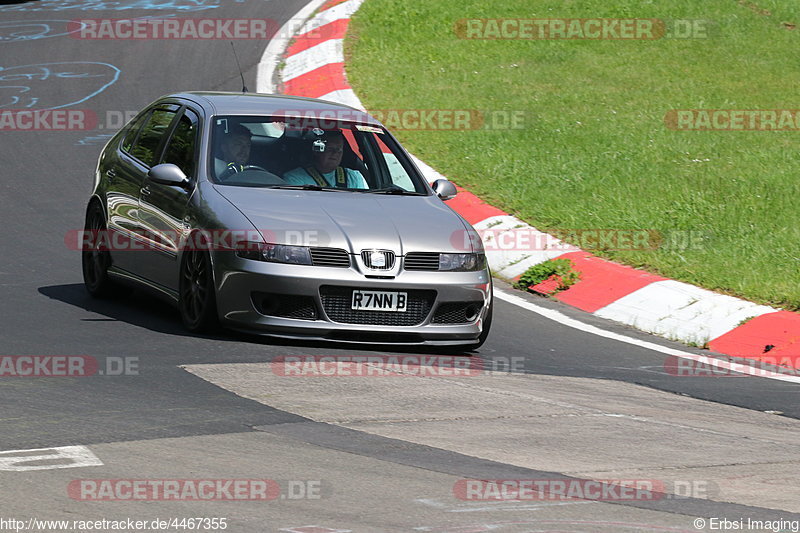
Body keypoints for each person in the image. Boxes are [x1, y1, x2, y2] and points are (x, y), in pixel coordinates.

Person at [282, 130, 368, 189]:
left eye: (339, 150)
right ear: (317, 150)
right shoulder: (294, 179)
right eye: (330, 149)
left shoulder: (354, 177)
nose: (335, 153)